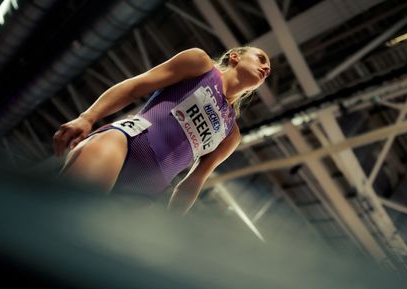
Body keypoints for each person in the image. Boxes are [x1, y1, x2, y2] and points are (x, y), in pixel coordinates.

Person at [52, 46, 271, 215]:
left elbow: (195, 180)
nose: (266, 68)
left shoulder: (231, 134)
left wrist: (173, 221)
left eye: (268, 69)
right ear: (235, 56)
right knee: (71, 214)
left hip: (147, 188)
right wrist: (87, 117)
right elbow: (136, 86)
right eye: (261, 58)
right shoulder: (200, 64)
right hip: (123, 144)